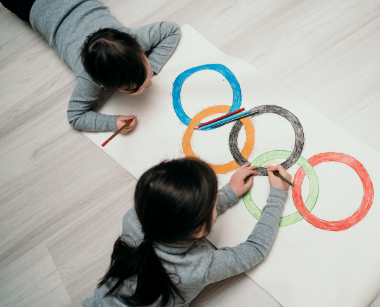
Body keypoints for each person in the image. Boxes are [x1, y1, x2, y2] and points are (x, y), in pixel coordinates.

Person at [82, 157, 291, 306]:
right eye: (212, 204)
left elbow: (176, 215)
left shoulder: (134, 217)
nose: (215, 202)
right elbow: (256, 250)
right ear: (199, 229)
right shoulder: (198, 267)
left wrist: (228, 193)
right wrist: (277, 195)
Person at [0, 0, 181, 133]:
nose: (150, 83)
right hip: (30, 5)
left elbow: (172, 30)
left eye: (147, 73)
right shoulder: (89, 80)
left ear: (139, 49)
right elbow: (75, 117)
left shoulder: (135, 38)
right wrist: (112, 122)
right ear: (104, 86)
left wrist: (154, 66)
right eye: (137, 88)